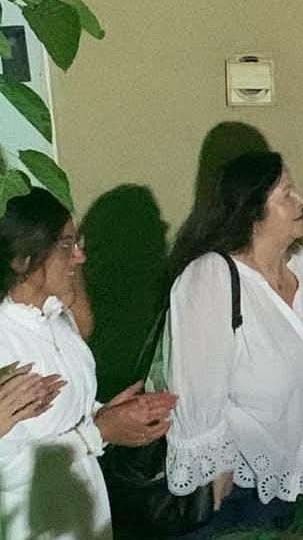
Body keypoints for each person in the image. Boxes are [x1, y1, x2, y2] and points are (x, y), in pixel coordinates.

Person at [166, 152, 303, 536]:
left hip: (293, 483)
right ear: (253, 213)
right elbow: (197, 386)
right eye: (286, 194)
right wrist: (214, 468)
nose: (302, 201)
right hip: (234, 490)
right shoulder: (212, 275)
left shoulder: (301, 268)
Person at [0, 187, 175, 539]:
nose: (79, 257)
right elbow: (8, 467)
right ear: (22, 260)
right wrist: (99, 432)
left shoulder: (57, 319)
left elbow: (61, 421)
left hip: (84, 515)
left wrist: (109, 414)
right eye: (66, 246)